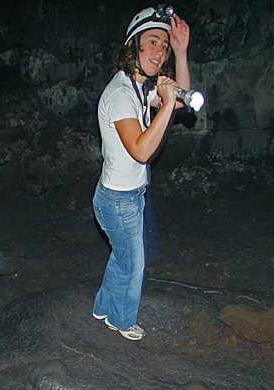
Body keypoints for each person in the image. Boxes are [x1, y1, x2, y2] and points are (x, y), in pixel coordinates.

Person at [92, 6, 191, 341]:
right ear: (133, 46)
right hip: (118, 200)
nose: (160, 51)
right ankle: (121, 321)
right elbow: (142, 150)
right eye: (153, 42)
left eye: (164, 45)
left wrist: (181, 52)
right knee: (134, 265)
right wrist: (163, 101)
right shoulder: (121, 94)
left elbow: (180, 102)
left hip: (128, 194)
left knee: (121, 257)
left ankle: (102, 307)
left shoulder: (135, 87)